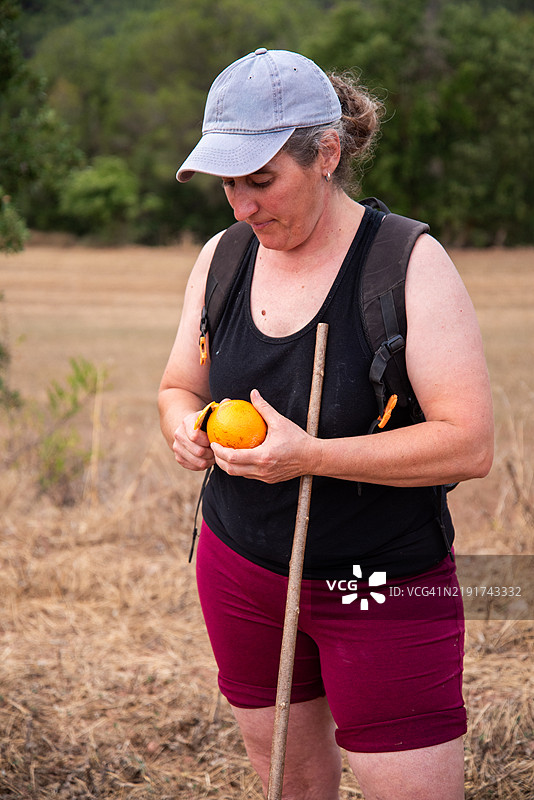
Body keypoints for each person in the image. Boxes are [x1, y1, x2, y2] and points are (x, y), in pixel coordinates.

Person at [158, 48, 494, 800]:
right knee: (292, 789)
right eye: (228, 185)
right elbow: (181, 384)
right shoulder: (223, 259)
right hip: (241, 569)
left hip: (379, 584)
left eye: (262, 180)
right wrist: (184, 425)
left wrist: (309, 455)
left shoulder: (409, 263)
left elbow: (469, 443)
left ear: (328, 154)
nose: (242, 206)